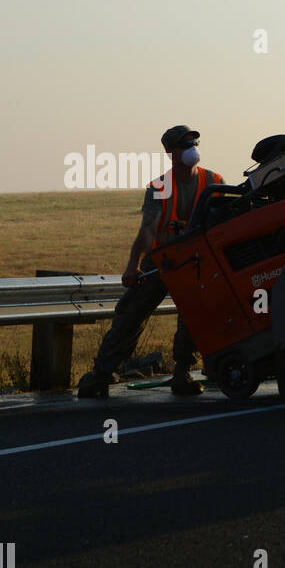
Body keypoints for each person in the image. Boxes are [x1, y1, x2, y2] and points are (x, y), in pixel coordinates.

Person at [75, 125, 224, 397]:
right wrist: (134, 266)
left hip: (195, 261)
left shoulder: (213, 180)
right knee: (130, 314)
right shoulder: (159, 187)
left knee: (193, 318)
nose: (192, 148)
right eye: (185, 144)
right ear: (171, 152)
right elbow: (148, 230)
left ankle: (183, 374)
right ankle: (102, 375)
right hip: (163, 261)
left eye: (194, 142)